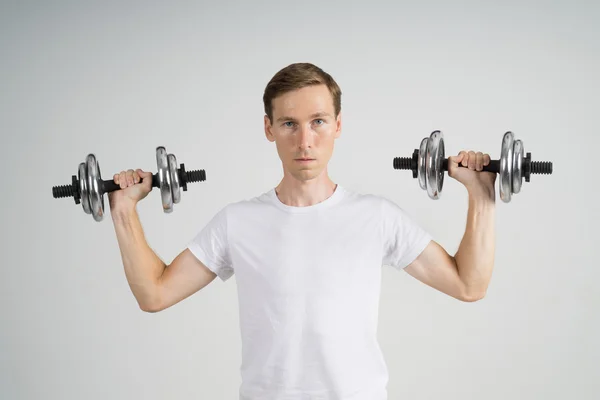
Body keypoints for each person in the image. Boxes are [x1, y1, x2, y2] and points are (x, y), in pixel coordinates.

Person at [108, 62, 496, 400]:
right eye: (289, 124)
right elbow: (155, 294)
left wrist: (481, 196)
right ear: (269, 128)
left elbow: (468, 285)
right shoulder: (237, 222)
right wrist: (124, 210)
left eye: (318, 122)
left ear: (338, 125)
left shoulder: (376, 216)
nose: (305, 140)